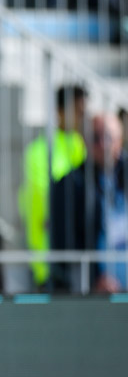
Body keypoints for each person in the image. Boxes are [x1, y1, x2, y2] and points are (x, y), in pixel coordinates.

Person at [18, 84, 87, 287]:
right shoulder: (39, 150)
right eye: (78, 111)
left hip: (76, 256)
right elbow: (43, 201)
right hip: (50, 260)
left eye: (83, 111)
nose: (82, 117)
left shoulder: (82, 145)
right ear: (60, 111)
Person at [51, 112, 128, 293]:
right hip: (96, 286)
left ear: (120, 138)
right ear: (84, 141)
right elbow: (66, 241)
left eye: (108, 137)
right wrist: (95, 278)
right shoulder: (70, 184)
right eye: (95, 138)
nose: (103, 144)